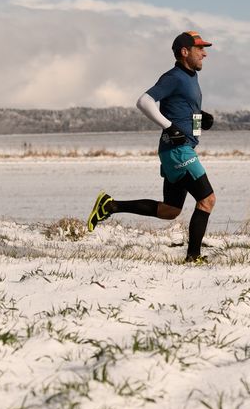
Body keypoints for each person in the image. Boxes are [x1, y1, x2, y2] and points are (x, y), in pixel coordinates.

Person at [87, 31, 217, 264]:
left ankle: (110, 205)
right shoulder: (174, 77)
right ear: (184, 52)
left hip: (178, 150)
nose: (204, 53)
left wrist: (200, 117)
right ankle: (193, 257)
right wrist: (169, 127)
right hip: (179, 151)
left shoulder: (190, 77)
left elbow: (181, 107)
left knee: (170, 210)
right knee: (207, 200)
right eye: (200, 49)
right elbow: (144, 101)